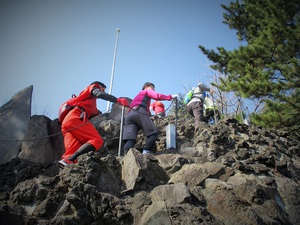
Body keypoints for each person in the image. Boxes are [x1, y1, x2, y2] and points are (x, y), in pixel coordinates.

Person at [59, 81, 129, 168]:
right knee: (96, 140)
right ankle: (70, 160)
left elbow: (98, 115)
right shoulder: (93, 87)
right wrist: (117, 100)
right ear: (100, 86)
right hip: (76, 118)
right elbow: (99, 94)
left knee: (71, 153)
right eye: (103, 90)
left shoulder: (89, 102)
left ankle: (67, 169)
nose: (104, 92)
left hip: (67, 122)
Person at [122, 82, 177, 154]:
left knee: (131, 140)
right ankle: (146, 152)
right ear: (146, 87)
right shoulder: (145, 91)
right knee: (153, 134)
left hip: (129, 116)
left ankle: (125, 156)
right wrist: (170, 97)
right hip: (139, 111)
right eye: (152, 88)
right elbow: (157, 96)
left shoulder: (138, 97)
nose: (153, 90)